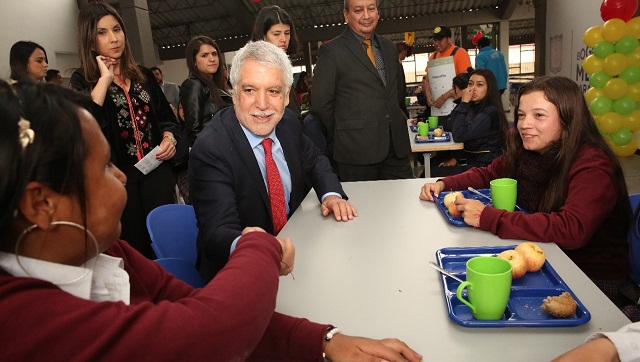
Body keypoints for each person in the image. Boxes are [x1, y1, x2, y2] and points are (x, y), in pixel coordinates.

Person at [0, 79, 422, 361]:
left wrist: (324, 341)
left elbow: (184, 304)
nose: (122, 176)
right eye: (107, 167)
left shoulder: (106, 251)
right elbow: (211, 331)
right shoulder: (20, 323)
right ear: (42, 205)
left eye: (274, 92)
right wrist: (261, 245)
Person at [419, 76, 638, 321]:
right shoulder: (529, 149)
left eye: (539, 115)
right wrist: (444, 183)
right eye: (521, 115)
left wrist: (488, 217)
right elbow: (489, 173)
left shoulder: (593, 165)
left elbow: (572, 229)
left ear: (568, 119)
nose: (525, 124)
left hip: (590, 280)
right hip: (547, 260)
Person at [189, 40, 358, 280]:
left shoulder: (287, 124)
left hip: (298, 257)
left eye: (273, 91)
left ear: (287, 96)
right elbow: (219, 231)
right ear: (234, 94)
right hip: (237, 273)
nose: (262, 104)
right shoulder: (210, 149)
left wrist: (330, 195)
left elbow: (315, 160)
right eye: (250, 90)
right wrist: (251, 246)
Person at [70, 2, 181, 259]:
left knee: (167, 241)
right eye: (102, 32)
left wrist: (169, 137)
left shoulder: (143, 75)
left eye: (117, 29)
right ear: (90, 41)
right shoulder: (82, 80)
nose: (113, 38)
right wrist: (105, 80)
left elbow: (167, 119)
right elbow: (83, 125)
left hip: (157, 171)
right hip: (118, 180)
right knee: (133, 249)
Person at [311, 0, 413, 181]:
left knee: (403, 204)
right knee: (363, 208)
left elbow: (397, 94)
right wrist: (347, 132)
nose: (366, 16)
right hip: (356, 153)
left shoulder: (389, 48)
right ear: (346, 15)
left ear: (378, 12)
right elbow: (321, 105)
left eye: (371, 9)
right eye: (358, 10)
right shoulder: (332, 51)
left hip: (396, 150)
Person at [430, 68, 508, 177]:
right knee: (431, 164)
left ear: (489, 88)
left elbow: (459, 135)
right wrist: (456, 158)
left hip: (485, 167)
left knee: (432, 172)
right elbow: (450, 124)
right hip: (469, 158)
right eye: (470, 84)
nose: (473, 89)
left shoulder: (490, 111)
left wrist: (464, 102)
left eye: (479, 85)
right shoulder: (473, 106)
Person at [251, 4, 302, 119]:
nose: (283, 39)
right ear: (263, 36)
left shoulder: (283, 66)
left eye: (287, 33)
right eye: (276, 34)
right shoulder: (256, 68)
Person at [179, 35, 232, 146]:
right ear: (194, 61)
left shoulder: (217, 85)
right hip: (213, 152)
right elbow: (194, 131)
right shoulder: (194, 84)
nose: (212, 59)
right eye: (204, 55)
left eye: (214, 54)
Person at [423, 26, 472, 109]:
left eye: (440, 40)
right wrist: (428, 95)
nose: (436, 43)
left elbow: (465, 81)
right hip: (437, 107)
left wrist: (444, 97)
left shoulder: (460, 54)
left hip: (456, 105)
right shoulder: (433, 57)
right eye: (435, 40)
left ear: (448, 39)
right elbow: (427, 79)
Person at [396, 41, 411, 118]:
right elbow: (399, 85)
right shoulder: (396, 65)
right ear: (404, 51)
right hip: (399, 100)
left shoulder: (396, 64)